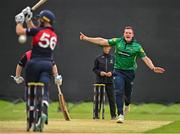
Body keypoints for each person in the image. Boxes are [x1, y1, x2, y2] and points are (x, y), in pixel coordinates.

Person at [80, 26, 165, 123]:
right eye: (126, 33)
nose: (127, 34)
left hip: (130, 72)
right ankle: (120, 114)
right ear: (124, 34)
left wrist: (153, 68)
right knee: (118, 91)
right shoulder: (118, 41)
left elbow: (145, 58)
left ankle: (127, 104)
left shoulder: (137, 46)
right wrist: (86, 38)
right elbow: (101, 41)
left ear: (132, 35)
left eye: (129, 33)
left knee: (127, 94)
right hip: (118, 71)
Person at [15, 7, 60, 130]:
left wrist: (19, 21)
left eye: (40, 19)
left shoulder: (38, 31)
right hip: (48, 64)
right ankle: (43, 109)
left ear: (44, 20)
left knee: (31, 90)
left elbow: (20, 31)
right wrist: (29, 19)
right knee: (44, 90)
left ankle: (31, 121)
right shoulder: (54, 35)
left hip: (34, 63)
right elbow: (37, 31)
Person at [93, 46, 116, 119]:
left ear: (110, 48)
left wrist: (111, 73)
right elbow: (94, 69)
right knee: (98, 99)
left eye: (108, 47)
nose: (106, 49)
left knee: (112, 99)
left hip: (110, 82)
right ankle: (96, 115)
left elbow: (117, 69)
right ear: (103, 48)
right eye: (105, 47)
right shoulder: (98, 58)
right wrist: (100, 73)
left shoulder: (113, 58)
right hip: (100, 81)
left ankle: (113, 115)